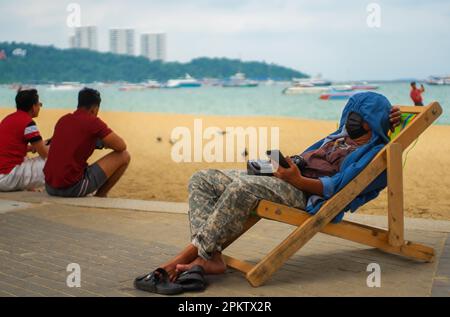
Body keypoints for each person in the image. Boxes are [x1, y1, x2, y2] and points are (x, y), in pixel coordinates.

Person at [138, 97, 403, 289]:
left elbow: (336, 187)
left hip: (305, 194)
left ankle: (181, 260)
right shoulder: (337, 137)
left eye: (355, 118)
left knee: (242, 187)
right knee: (202, 179)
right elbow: (306, 157)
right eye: (348, 115)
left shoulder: (372, 155)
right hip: (288, 180)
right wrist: (286, 166)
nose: (348, 121)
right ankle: (212, 257)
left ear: (369, 124)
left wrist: (296, 179)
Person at [44, 88, 130, 198]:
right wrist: (104, 143)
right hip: (71, 188)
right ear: (94, 109)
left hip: (50, 187)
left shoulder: (63, 120)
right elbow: (121, 146)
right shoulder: (93, 122)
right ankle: (101, 195)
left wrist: (95, 142)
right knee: (124, 156)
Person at [0, 89, 49, 192]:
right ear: (33, 107)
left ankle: (29, 185)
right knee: (55, 161)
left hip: (3, 173)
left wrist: (31, 148)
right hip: (8, 177)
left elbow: (9, 147)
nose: (40, 107)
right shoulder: (28, 123)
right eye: (39, 104)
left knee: (26, 158)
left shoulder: (8, 119)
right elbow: (45, 154)